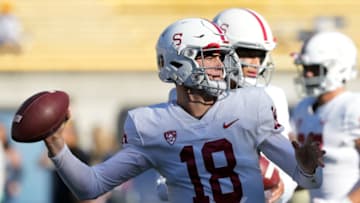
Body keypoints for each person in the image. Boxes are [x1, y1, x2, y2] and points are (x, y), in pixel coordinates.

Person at [40, 18, 324, 203]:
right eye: (210, 56)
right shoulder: (150, 124)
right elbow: (91, 186)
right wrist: (57, 145)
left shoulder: (252, 105)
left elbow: (308, 179)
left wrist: (308, 166)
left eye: (222, 57)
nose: (221, 66)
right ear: (177, 64)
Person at [159, 8, 298, 203]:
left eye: (259, 54)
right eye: (245, 53)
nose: (254, 62)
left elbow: (287, 175)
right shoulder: (189, 96)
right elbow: (164, 185)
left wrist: (279, 185)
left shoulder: (271, 97)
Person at [291, 31, 360, 202]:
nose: (307, 75)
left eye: (315, 69)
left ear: (339, 68)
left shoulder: (351, 107)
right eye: (306, 68)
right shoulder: (303, 107)